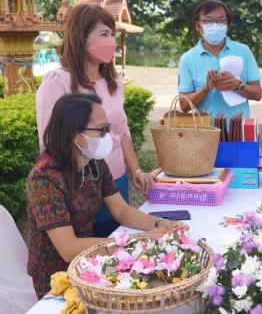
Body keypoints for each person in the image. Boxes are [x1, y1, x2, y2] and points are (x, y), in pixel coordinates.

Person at [27, 94, 188, 299]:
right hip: (57, 277)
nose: (108, 136)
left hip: (91, 261)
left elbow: (121, 210)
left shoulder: (93, 162)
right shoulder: (44, 178)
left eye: (108, 128)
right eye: (101, 130)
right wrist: (136, 241)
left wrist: (160, 224)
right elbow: (68, 248)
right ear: (75, 135)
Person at [35, 4, 155, 238]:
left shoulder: (112, 82)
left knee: (118, 245)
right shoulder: (57, 83)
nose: (111, 40)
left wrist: (136, 170)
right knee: (87, 254)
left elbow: (121, 131)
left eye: (112, 34)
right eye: (104, 34)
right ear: (81, 38)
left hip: (115, 181)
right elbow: (50, 141)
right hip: (78, 185)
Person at [177, 0, 262, 120]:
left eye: (221, 20)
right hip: (205, 133)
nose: (215, 25)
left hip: (238, 131)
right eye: (208, 21)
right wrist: (206, 89)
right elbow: (184, 106)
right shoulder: (187, 59)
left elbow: (258, 94)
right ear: (197, 26)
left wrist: (238, 85)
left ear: (227, 25)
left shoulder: (244, 51)